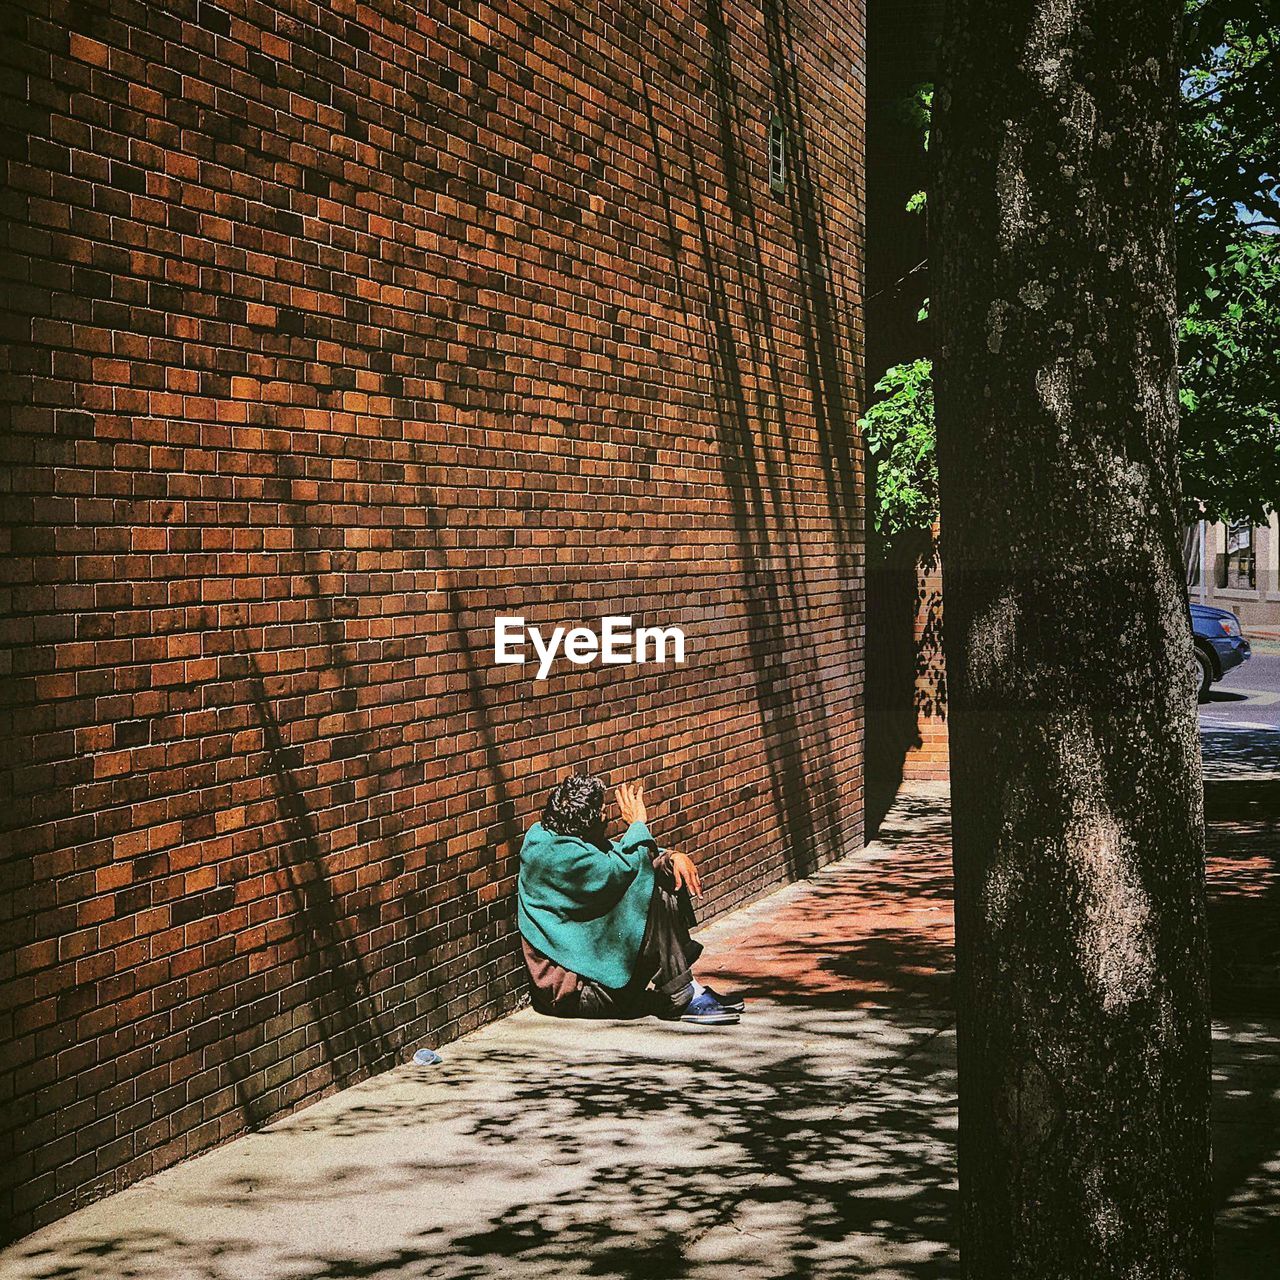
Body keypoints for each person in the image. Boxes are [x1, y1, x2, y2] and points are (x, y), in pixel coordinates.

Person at [517, 773, 743, 1025]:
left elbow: (618, 855)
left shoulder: (556, 835)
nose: (607, 817)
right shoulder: (557, 857)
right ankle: (681, 995)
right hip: (574, 991)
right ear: (585, 823)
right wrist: (637, 825)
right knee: (651, 893)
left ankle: (686, 988)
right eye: (602, 813)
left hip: (592, 976)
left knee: (666, 873)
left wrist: (672, 857)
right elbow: (619, 869)